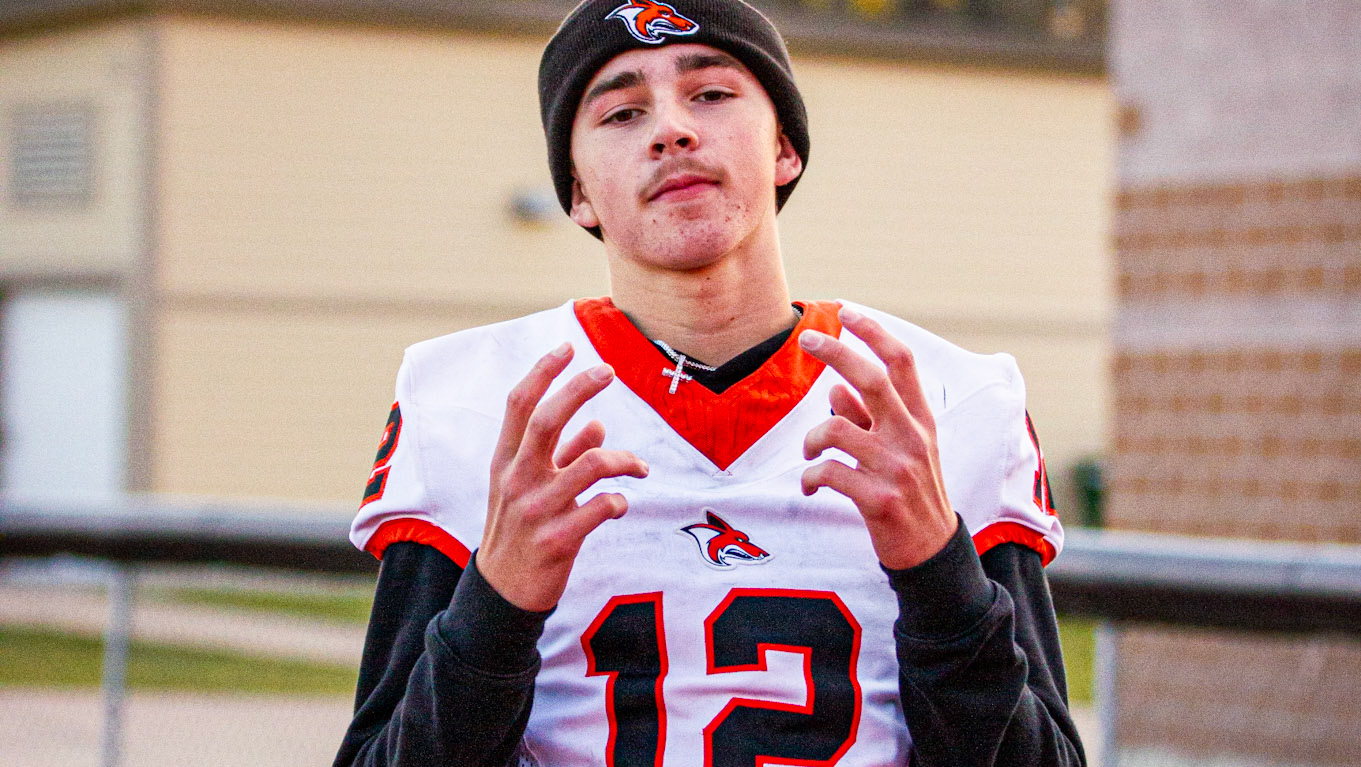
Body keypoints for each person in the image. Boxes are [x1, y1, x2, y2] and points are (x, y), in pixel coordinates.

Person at [334, 1, 1085, 765]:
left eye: (712, 94)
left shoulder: (950, 398)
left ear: (784, 147)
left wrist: (936, 568)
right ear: (577, 191)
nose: (671, 130)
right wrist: (496, 601)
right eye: (622, 112)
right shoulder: (470, 399)